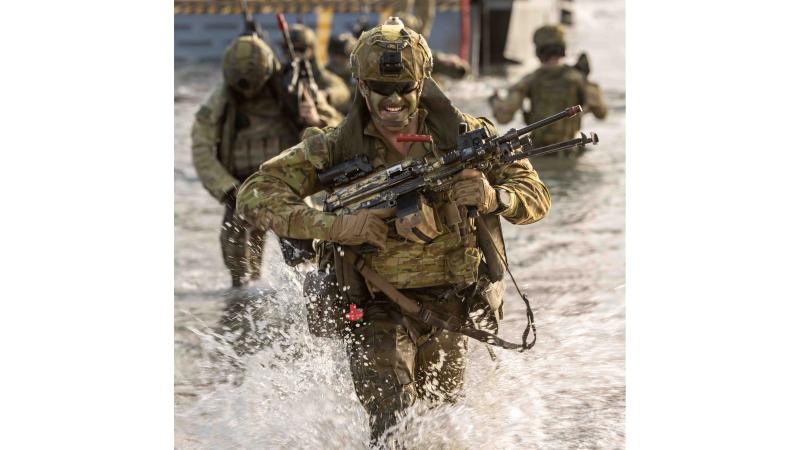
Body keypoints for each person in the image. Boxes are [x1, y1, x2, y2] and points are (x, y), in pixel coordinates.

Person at [236, 18, 551, 442]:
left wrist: (496, 197)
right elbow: (254, 194)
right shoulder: (336, 147)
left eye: (405, 87)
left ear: (423, 82)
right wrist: (336, 226)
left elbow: (536, 194)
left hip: (450, 305)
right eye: (381, 88)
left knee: (440, 419)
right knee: (391, 418)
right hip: (375, 306)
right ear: (361, 86)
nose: (393, 100)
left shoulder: (466, 138)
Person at [191, 34, 341, 288]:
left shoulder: (292, 89)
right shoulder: (222, 100)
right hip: (240, 187)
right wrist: (227, 189)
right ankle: (244, 299)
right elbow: (201, 148)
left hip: (289, 184)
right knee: (237, 259)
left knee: (310, 252)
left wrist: (315, 119)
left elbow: (339, 133)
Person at [491, 24, 607, 157]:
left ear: (538, 50)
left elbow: (503, 117)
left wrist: (494, 101)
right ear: (563, 47)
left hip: (538, 153)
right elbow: (601, 112)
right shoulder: (577, 79)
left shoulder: (529, 80)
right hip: (570, 153)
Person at [283, 23, 353, 115]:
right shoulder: (280, 73)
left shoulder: (321, 75)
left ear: (311, 49)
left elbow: (343, 91)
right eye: (288, 48)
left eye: (301, 49)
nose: (296, 54)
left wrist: (324, 95)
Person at [326, 32, 358, 114]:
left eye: (342, 56)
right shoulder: (324, 74)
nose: (337, 60)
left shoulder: (359, 77)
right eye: (334, 54)